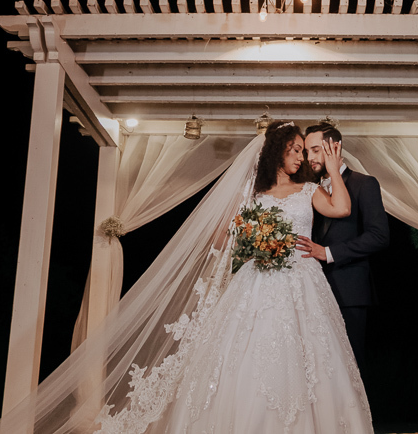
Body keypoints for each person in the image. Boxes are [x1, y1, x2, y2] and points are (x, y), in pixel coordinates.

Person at [93, 121, 374, 434]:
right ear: (277, 152)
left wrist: (334, 168)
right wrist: (256, 243)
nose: (301, 157)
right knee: (249, 352)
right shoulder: (255, 196)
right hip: (259, 277)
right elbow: (223, 237)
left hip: (303, 278)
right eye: (295, 150)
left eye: (304, 151)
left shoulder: (310, 190)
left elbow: (343, 208)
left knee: (312, 356)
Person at [297, 121, 390, 376]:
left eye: (315, 150)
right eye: (307, 152)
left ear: (335, 147)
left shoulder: (364, 183)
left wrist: (327, 253)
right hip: (309, 290)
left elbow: (379, 236)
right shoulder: (308, 189)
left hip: (349, 291)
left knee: (349, 369)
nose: (309, 157)